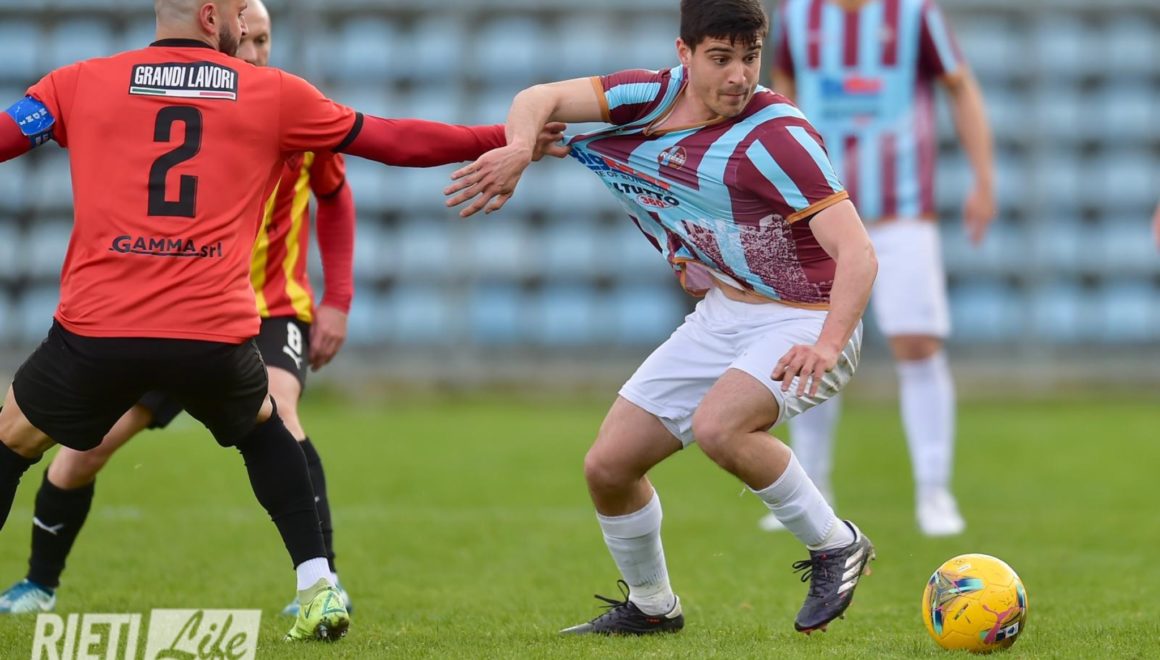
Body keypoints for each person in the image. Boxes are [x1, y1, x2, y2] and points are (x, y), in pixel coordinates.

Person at [0, 0, 565, 642]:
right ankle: (318, 584)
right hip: (209, 330)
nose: (246, 28)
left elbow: (6, 135)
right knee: (267, 431)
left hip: (101, 330)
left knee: (11, 442)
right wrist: (504, 138)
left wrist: (336, 298)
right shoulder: (274, 96)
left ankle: (42, 583)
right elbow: (394, 139)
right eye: (240, 15)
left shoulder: (76, 82)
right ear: (211, 17)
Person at [446, 0, 879, 636]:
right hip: (726, 311)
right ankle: (652, 606)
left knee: (721, 428)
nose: (739, 75)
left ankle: (837, 543)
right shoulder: (649, 96)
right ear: (685, 54)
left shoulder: (779, 136)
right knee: (609, 466)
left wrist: (829, 344)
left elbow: (859, 253)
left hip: (806, 318)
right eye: (721, 58)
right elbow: (538, 98)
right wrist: (518, 149)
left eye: (751, 58)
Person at [0, 0, 355, 617]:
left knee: (279, 409)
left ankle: (323, 584)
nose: (254, 48)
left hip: (268, 307)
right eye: (248, 34)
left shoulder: (293, 108)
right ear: (218, 25)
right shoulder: (178, 102)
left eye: (265, 39)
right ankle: (39, 583)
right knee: (83, 454)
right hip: (169, 310)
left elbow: (337, 197)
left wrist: (338, 301)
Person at [757, 0, 995, 537]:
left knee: (917, 341)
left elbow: (960, 86)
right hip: (820, 214)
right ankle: (811, 488)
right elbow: (782, 93)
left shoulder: (913, 13)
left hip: (900, 210)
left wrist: (983, 178)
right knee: (811, 340)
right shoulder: (798, 15)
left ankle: (934, 491)